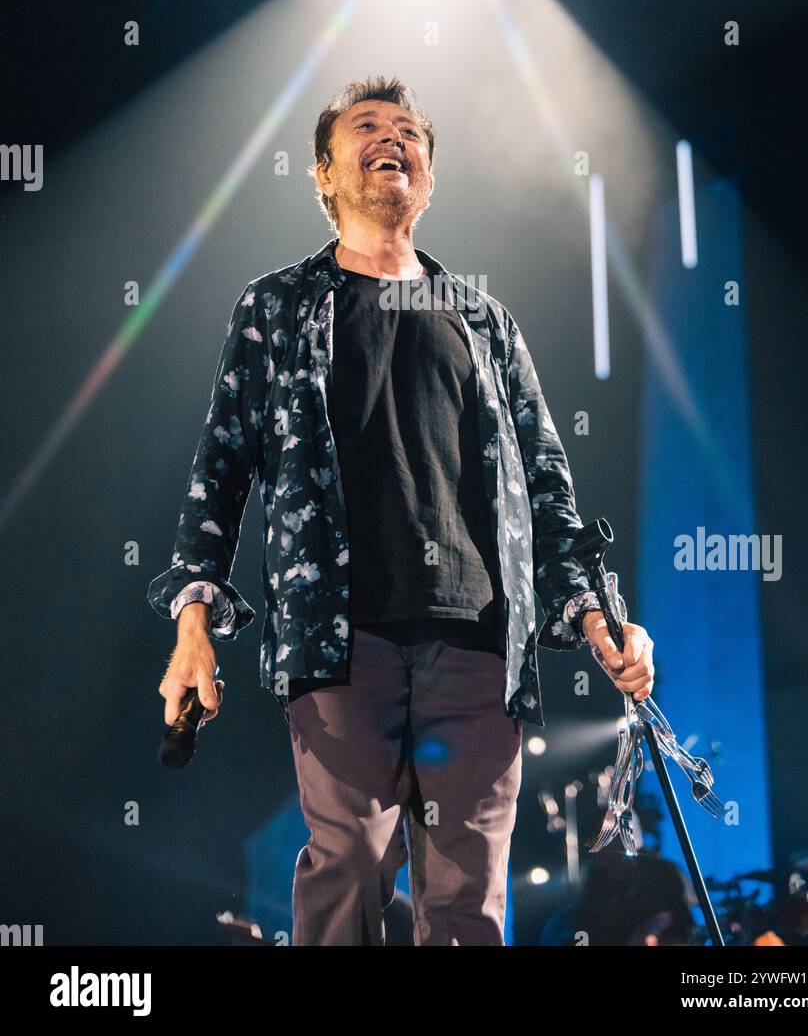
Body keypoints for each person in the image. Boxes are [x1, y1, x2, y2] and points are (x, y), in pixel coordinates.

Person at [149, 73, 655, 946]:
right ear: (322, 172)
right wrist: (194, 620)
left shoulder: (483, 320)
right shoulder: (277, 308)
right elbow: (220, 470)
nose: (393, 138)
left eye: (409, 132)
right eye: (368, 127)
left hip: (479, 644)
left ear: (427, 174)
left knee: (466, 905)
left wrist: (599, 614)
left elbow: (548, 489)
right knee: (346, 871)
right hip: (343, 641)